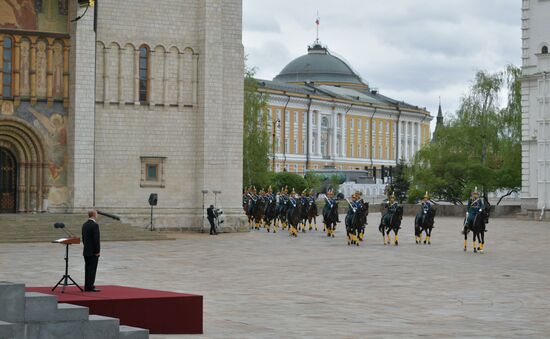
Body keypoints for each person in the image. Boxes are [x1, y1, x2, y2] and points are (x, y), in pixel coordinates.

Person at [82, 210, 101, 292]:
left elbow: (83, 238)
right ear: (94, 215)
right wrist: (97, 251)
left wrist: (86, 247)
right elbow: (96, 240)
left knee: (87, 269)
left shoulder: (84, 225)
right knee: (92, 270)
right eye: (96, 214)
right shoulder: (95, 225)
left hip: (86, 251)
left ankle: (87, 286)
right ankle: (90, 287)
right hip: (93, 252)